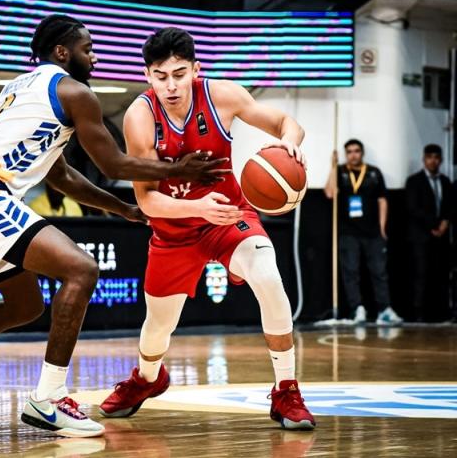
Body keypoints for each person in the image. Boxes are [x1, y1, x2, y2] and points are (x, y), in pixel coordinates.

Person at [0, 14, 228, 439]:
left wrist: (122, 209)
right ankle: (47, 399)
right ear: (63, 52)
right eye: (88, 49)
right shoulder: (74, 91)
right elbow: (113, 163)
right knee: (81, 270)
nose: (95, 57)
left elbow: (62, 176)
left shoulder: (24, 87)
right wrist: (180, 168)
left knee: (24, 305)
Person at [98, 27, 316, 430]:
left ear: (195, 69)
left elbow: (286, 121)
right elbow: (146, 200)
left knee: (269, 277)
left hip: (230, 217)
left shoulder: (222, 95)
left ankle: (286, 388)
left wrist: (291, 143)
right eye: (161, 76)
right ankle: (148, 379)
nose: (171, 85)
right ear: (148, 76)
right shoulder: (139, 117)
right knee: (156, 328)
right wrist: (196, 206)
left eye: (179, 74)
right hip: (173, 231)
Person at [324, 139, 403, 325]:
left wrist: (382, 227)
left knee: (379, 271)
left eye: (357, 151)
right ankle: (357, 308)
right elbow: (329, 193)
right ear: (346, 154)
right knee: (351, 271)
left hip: (373, 232)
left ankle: (384, 309)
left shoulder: (374, 173)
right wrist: (333, 166)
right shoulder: (341, 171)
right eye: (349, 151)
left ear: (362, 153)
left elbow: (382, 200)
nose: (353, 154)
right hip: (348, 232)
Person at [405, 144, 452, 322]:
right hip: (421, 236)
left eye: (436, 157)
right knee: (421, 274)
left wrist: (444, 223)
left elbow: (449, 206)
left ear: (441, 160)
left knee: (439, 274)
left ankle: (439, 311)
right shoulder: (414, 181)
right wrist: (433, 224)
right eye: (429, 157)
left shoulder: (445, 182)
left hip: (441, 235)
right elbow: (413, 208)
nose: (433, 161)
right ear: (424, 159)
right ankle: (419, 312)